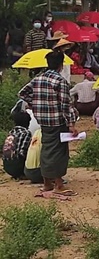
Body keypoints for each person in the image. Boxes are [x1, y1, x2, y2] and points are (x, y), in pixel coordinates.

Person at [18, 51, 77, 195]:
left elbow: (22, 93)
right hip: (57, 121)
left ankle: (47, 184)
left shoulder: (38, 78)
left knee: (46, 150)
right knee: (59, 152)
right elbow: (65, 104)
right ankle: (58, 184)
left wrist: (36, 104)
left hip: (43, 120)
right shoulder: (60, 81)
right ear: (61, 65)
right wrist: (71, 124)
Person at [2, 111, 32, 180]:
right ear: (28, 122)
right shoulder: (26, 133)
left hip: (7, 166)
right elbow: (23, 152)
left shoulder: (11, 132)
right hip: (17, 166)